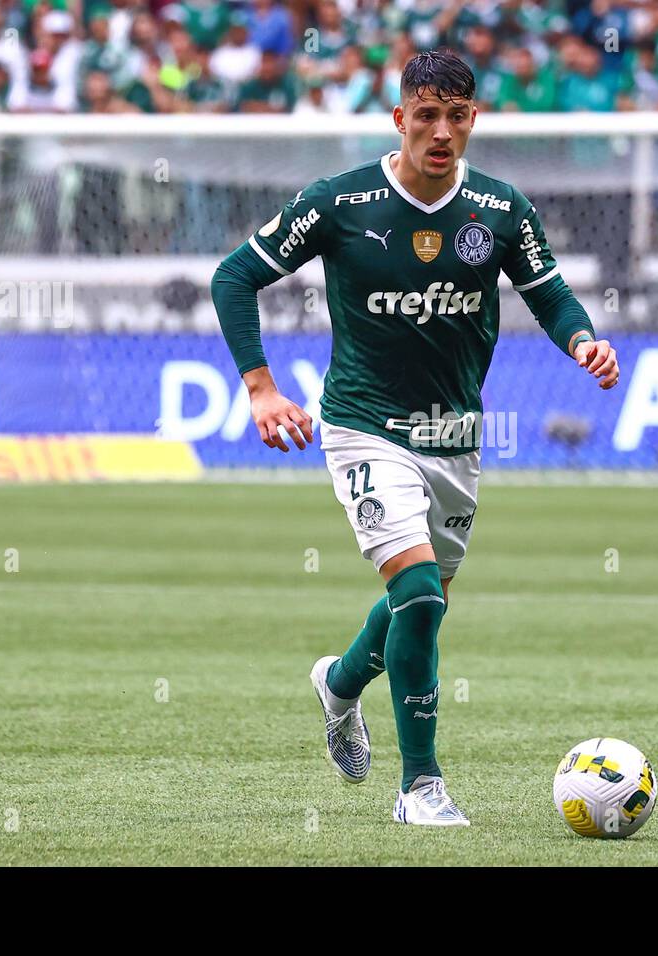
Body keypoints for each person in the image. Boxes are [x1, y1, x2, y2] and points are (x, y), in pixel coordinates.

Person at [211, 50, 618, 827]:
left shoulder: (500, 210)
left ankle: (338, 683)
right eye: (425, 116)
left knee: (416, 606)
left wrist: (584, 341)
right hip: (364, 426)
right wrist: (261, 388)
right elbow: (234, 277)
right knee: (422, 598)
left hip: (455, 437)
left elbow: (552, 296)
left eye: (456, 117)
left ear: (473, 121)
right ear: (399, 118)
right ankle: (420, 788)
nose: (440, 132)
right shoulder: (340, 201)